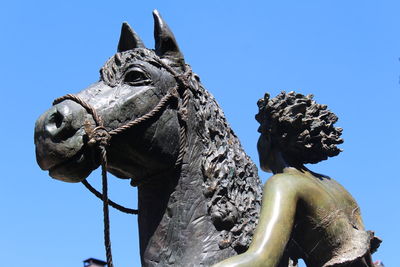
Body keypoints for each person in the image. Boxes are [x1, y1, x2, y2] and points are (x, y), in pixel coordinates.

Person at [213, 92, 380, 267]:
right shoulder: (336, 186)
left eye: (261, 133)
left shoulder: (283, 183)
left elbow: (262, 260)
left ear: (269, 137)